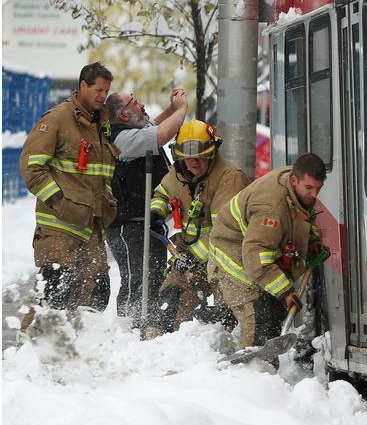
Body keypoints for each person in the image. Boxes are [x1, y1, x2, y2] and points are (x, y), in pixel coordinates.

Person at [19, 62, 118, 320]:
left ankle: (74, 352)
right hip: (59, 229)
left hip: (91, 228)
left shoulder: (100, 124)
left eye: (106, 91)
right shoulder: (58, 119)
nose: (102, 96)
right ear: (82, 86)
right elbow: (32, 167)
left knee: (96, 296)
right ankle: (28, 351)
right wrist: (60, 202)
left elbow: (99, 174)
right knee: (54, 297)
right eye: (98, 89)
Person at [209, 153, 327, 348]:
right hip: (231, 250)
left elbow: (303, 217)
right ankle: (250, 369)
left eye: (318, 188)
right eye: (309, 188)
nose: (314, 194)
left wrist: (311, 241)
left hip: (252, 246)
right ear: (294, 180)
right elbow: (256, 257)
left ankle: (267, 367)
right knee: (259, 315)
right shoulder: (271, 208)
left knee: (273, 309)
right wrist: (286, 292)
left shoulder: (296, 190)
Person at [150, 120, 249, 332]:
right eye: (187, 156)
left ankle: (224, 358)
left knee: (227, 319)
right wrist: (156, 212)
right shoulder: (178, 173)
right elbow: (162, 193)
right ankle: (161, 347)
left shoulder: (229, 178)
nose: (194, 162)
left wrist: (193, 255)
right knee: (171, 301)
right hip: (191, 259)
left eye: (200, 155)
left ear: (212, 152)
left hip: (226, 260)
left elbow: (225, 230)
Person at [103, 86, 187, 333]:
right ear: (124, 116)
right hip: (128, 226)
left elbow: (155, 126)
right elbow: (160, 135)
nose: (141, 105)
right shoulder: (122, 139)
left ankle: (149, 328)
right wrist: (182, 109)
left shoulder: (135, 130)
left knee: (151, 279)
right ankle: (128, 331)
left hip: (146, 223)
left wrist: (172, 108)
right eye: (134, 103)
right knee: (137, 279)